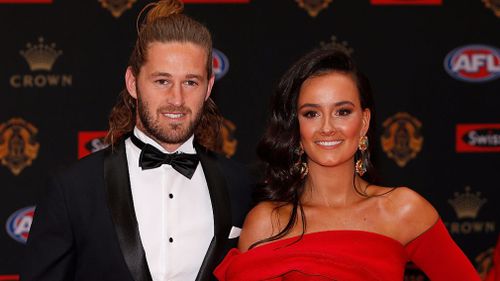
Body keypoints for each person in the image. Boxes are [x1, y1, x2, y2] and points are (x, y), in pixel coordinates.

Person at [21, 1, 253, 281]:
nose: (177, 99)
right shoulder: (72, 190)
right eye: (162, 81)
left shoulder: (241, 186)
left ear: (209, 87)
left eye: (190, 82)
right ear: (133, 83)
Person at [214, 47, 481, 281]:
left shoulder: (402, 210)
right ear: (296, 126)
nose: (327, 127)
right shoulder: (266, 222)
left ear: (364, 122)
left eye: (342, 112)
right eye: (312, 113)